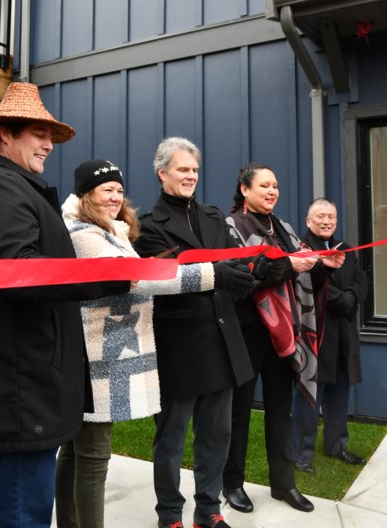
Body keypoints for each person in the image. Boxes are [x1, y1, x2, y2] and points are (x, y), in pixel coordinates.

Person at [0, 83, 130, 528]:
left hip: (19, 381)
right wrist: (104, 276)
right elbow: (20, 270)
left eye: (51, 137)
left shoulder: (11, 185)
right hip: (21, 385)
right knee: (20, 511)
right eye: (39, 134)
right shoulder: (1, 187)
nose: (47, 146)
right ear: (5, 132)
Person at [54, 159, 219, 528]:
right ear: (85, 195)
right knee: (93, 454)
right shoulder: (82, 234)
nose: (115, 197)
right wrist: (211, 274)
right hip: (96, 357)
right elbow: (135, 279)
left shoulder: (112, 230)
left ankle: (68, 522)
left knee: (74, 451)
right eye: (106, 190)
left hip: (105, 349)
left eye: (118, 190)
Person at [133, 137, 259, 528]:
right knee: (170, 441)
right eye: (182, 169)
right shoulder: (148, 226)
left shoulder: (213, 216)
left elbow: (226, 267)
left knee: (216, 436)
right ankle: (170, 514)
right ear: (162, 173)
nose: (190, 176)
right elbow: (165, 277)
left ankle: (209, 509)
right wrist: (218, 276)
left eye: (194, 170)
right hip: (179, 348)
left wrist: (242, 280)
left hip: (223, 342)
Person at [221, 163, 345, 515]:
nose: (272, 191)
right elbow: (247, 276)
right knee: (239, 411)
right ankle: (232, 483)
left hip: (284, 333)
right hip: (248, 331)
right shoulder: (232, 227)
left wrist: (324, 266)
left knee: (280, 409)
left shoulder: (286, 228)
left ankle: (284, 483)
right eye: (264, 185)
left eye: (275, 185)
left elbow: (301, 278)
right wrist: (293, 265)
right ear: (245, 190)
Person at [291, 198, 369, 473]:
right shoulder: (300, 250)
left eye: (331, 217)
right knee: (310, 396)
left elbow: (361, 281)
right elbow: (309, 285)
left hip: (344, 337)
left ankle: (337, 446)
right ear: (308, 221)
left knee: (339, 395)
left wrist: (350, 296)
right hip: (317, 335)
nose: (326, 221)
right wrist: (344, 300)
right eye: (321, 216)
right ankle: (302, 455)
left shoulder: (346, 249)